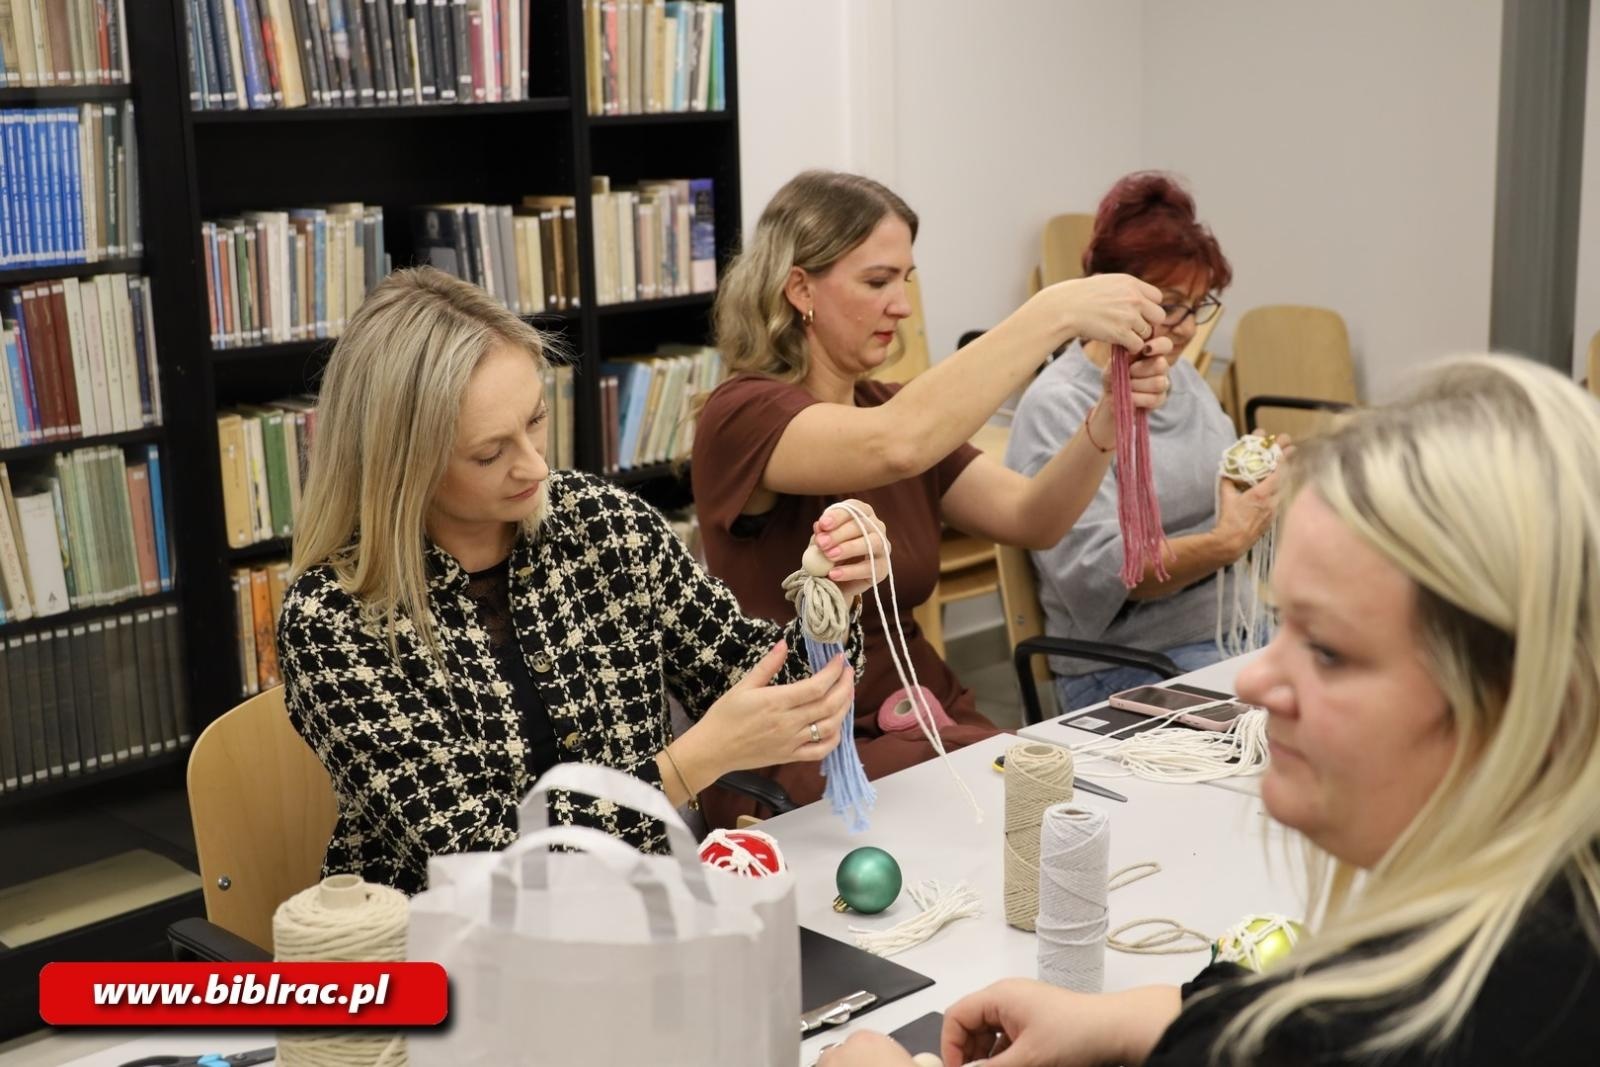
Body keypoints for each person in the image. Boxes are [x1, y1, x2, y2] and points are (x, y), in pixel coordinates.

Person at [819, 355, 1600, 1066]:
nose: (1257, 679)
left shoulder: (1422, 1031)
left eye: (1326, 649)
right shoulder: (1540, 930)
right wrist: (1138, 1016)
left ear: (1519, 703)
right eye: (1281, 622)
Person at [276, 267, 891, 895]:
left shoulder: (600, 525)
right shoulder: (333, 620)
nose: (535, 464)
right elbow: (487, 862)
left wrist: (834, 598)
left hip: (641, 919)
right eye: (490, 453)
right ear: (401, 465)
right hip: (457, 954)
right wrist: (695, 759)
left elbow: (787, 698)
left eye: (536, 420)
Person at [692, 170, 1175, 826]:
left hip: (921, 723)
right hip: (806, 756)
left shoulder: (891, 409)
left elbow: (1033, 518)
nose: (902, 306)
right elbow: (895, 444)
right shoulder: (742, 416)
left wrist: (1105, 426)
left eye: (906, 281)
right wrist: (1055, 310)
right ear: (800, 287)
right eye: (876, 281)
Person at [1006, 171, 1280, 712]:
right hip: (1133, 666)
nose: (1183, 328)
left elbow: (1218, 484)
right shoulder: (1058, 406)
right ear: (1112, 295)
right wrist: (1228, 541)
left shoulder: (1184, 379)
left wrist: (1254, 480)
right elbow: (1109, 572)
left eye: (1199, 304)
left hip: (1235, 635)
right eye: (1171, 302)